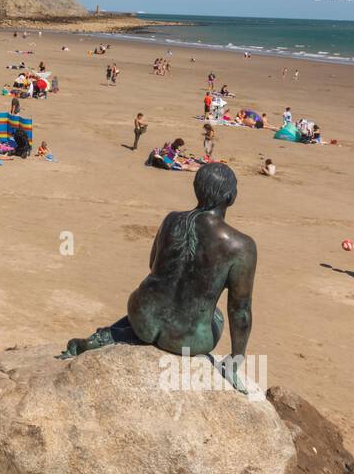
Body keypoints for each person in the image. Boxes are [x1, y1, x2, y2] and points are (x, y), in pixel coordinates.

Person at [61, 164, 257, 391]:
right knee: (218, 316)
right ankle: (121, 334)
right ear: (231, 196)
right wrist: (235, 361)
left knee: (159, 298)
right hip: (187, 340)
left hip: (141, 315)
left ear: (196, 188)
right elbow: (240, 311)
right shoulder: (241, 246)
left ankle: (113, 334)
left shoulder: (171, 220)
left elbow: (153, 265)